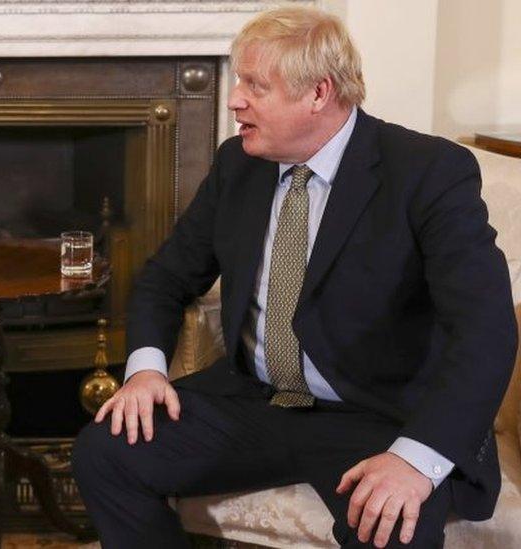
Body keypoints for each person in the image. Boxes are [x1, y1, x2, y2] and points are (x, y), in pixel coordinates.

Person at [73, 7, 517, 549]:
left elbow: (485, 329)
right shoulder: (239, 163)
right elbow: (165, 278)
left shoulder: (427, 173)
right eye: (240, 81)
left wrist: (415, 460)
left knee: (395, 527)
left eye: (255, 85)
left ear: (318, 93)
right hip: (256, 400)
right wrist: (146, 371)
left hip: (378, 416)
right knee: (106, 451)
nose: (235, 99)